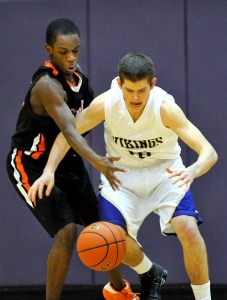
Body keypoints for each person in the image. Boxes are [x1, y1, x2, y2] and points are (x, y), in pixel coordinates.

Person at [28, 52, 218, 300]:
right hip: (121, 177)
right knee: (111, 238)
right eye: (129, 90)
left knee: (189, 230)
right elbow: (67, 135)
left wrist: (192, 170)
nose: (136, 97)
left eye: (142, 90)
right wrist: (49, 171)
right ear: (119, 84)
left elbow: (209, 152)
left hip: (165, 173)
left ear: (153, 84)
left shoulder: (165, 108)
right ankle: (150, 272)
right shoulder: (107, 103)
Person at [6, 18, 128, 300]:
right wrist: (98, 160)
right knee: (67, 231)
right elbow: (71, 132)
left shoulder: (78, 78)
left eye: (76, 50)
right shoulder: (47, 86)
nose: (71, 57)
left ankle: (119, 291)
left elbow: (87, 120)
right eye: (63, 52)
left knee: (105, 227)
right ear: (48, 50)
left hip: (67, 161)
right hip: (31, 165)